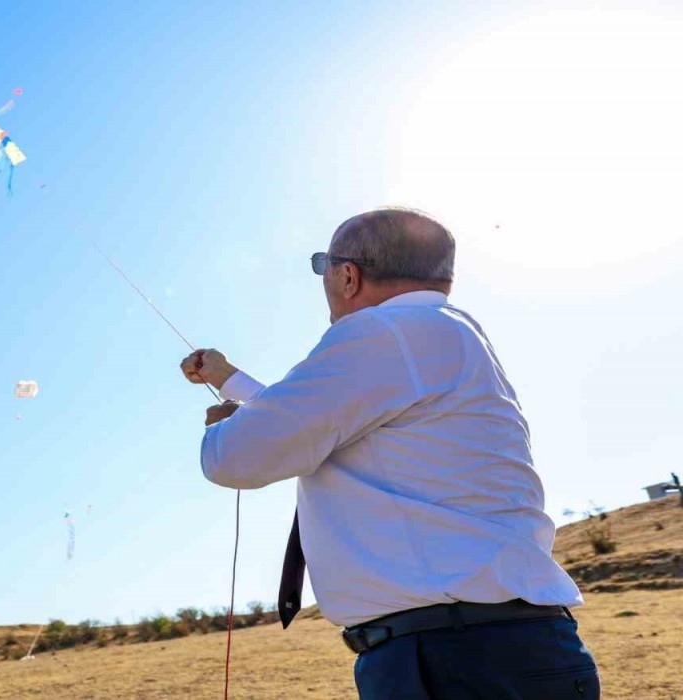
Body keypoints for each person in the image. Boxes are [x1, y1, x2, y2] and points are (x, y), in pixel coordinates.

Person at [180, 208, 600, 699]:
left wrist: (227, 427)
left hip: (449, 657)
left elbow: (238, 457)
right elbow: (336, 418)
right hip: (500, 647)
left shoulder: (383, 332)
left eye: (324, 266)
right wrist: (229, 379)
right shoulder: (439, 332)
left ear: (348, 274)